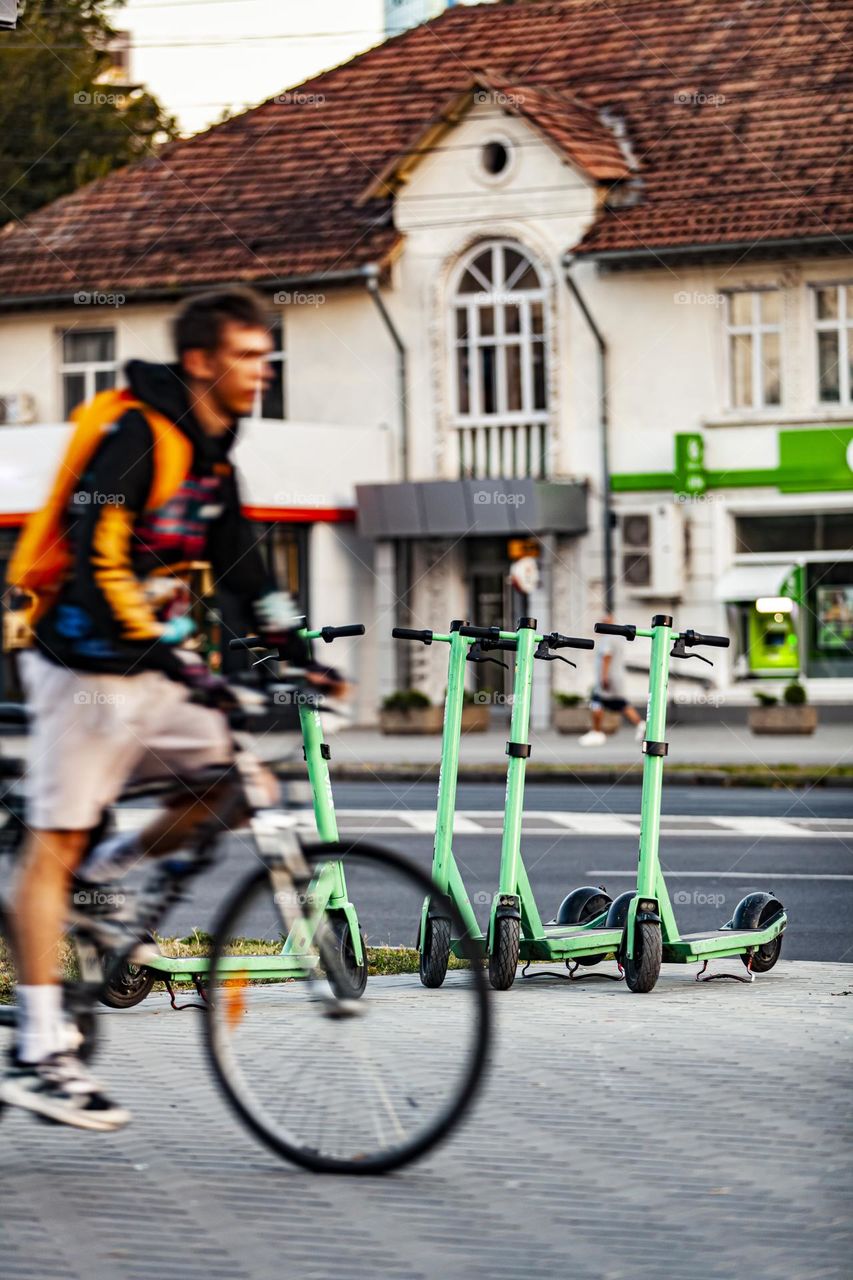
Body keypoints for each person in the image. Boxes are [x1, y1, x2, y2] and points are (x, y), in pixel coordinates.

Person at [0, 287, 344, 1130]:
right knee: (53, 843)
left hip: (153, 665)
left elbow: (245, 573)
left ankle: (99, 880)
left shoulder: (213, 454)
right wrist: (173, 659)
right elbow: (94, 557)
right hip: (80, 661)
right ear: (201, 361)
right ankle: (41, 1054)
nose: (263, 367)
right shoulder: (137, 434)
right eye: (247, 354)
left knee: (236, 785)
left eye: (268, 354)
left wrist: (300, 656)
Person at [578, 614, 646, 747]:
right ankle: (640, 724)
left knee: (597, 702)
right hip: (616, 678)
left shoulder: (608, 639)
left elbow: (606, 657)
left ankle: (597, 733)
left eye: (604, 623)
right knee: (621, 704)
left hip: (609, 678)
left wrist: (604, 677)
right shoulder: (617, 639)